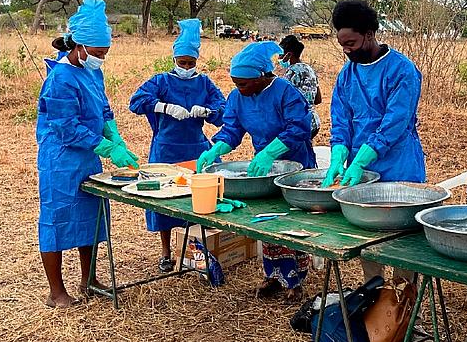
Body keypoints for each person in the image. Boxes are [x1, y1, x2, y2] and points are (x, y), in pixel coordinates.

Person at [36, 0, 140, 308]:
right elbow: (66, 127)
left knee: (90, 218)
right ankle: (57, 292)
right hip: (61, 158)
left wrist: (115, 136)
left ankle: (89, 278)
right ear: (79, 47)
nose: (100, 58)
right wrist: (106, 146)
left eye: (105, 53)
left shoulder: (92, 71)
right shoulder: (60, 79)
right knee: (57, 219)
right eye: (97, 52)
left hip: (88, 155)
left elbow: (103, 109)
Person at [197, 41, 315, 300]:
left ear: (262, 77)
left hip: (295, 164)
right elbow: (232, 130)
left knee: (291, 224)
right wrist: (215, 148)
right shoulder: (237, 98)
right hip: (263, 166)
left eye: (243, 83)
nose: (238, 88)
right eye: (235, 83)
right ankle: (273, 276)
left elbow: (299, 127)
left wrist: (271, 151)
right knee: (269, 221)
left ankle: (295, 282)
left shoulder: (285, 92)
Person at [322, 0, 424, 283]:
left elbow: (394, 124)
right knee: (368, 241)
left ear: (370, 34)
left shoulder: (402, 71)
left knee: (403, 248)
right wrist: (338, 159)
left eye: (351, 43)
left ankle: (402, 305)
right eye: (342, 44)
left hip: (400, 165)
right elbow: (340, 121)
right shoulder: (347, 74)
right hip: (362, 171)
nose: (346, 50)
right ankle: (374, 297)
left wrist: (361, 159)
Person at [129, 19, 226, 272]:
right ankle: (165, 251)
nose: (186, 67)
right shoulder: (161, 81)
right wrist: (162, 106)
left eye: (190, 63)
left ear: (196, 61)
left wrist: (207, 111)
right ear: (174, 60)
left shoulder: (204, 83)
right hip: (165, 147)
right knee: (163, 202)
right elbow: (137, 102)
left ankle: (195, 249)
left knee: (196, 200)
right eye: (182, 63)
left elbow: (224, 110)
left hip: (195, 147)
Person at [277, 34, 322, 138]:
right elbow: (318, 100)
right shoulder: (309, 69)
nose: (279, 58)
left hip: (299, 124)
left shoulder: (291, 72)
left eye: (280, 55)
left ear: (289, 55)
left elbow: (281, 100)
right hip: (314, 122)